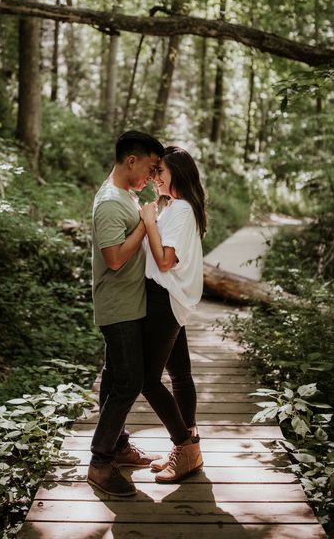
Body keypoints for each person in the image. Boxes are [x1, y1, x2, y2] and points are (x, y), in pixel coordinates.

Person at [87, 130, 164, 497]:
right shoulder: (110, 203)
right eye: (149, 167)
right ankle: (100, 464)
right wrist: (147, 226)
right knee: (130, 382)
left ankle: (117, 446)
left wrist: (147, 215)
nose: (151, 176)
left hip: (127, 303)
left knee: (115, 375)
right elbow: (114, 259)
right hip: (118, 307)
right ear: (131, 160)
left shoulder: (126, 195)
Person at [140, 145, 206, 483]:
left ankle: (185, 449)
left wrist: (149, 222)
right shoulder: (179, 207)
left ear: (176, 175)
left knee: (147, 379)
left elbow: (166, 259)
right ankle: (189, 442)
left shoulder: (179, 209)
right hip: (172, 297)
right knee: (179, 374)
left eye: (160, 173)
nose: (155, 179)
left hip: (164, 298)